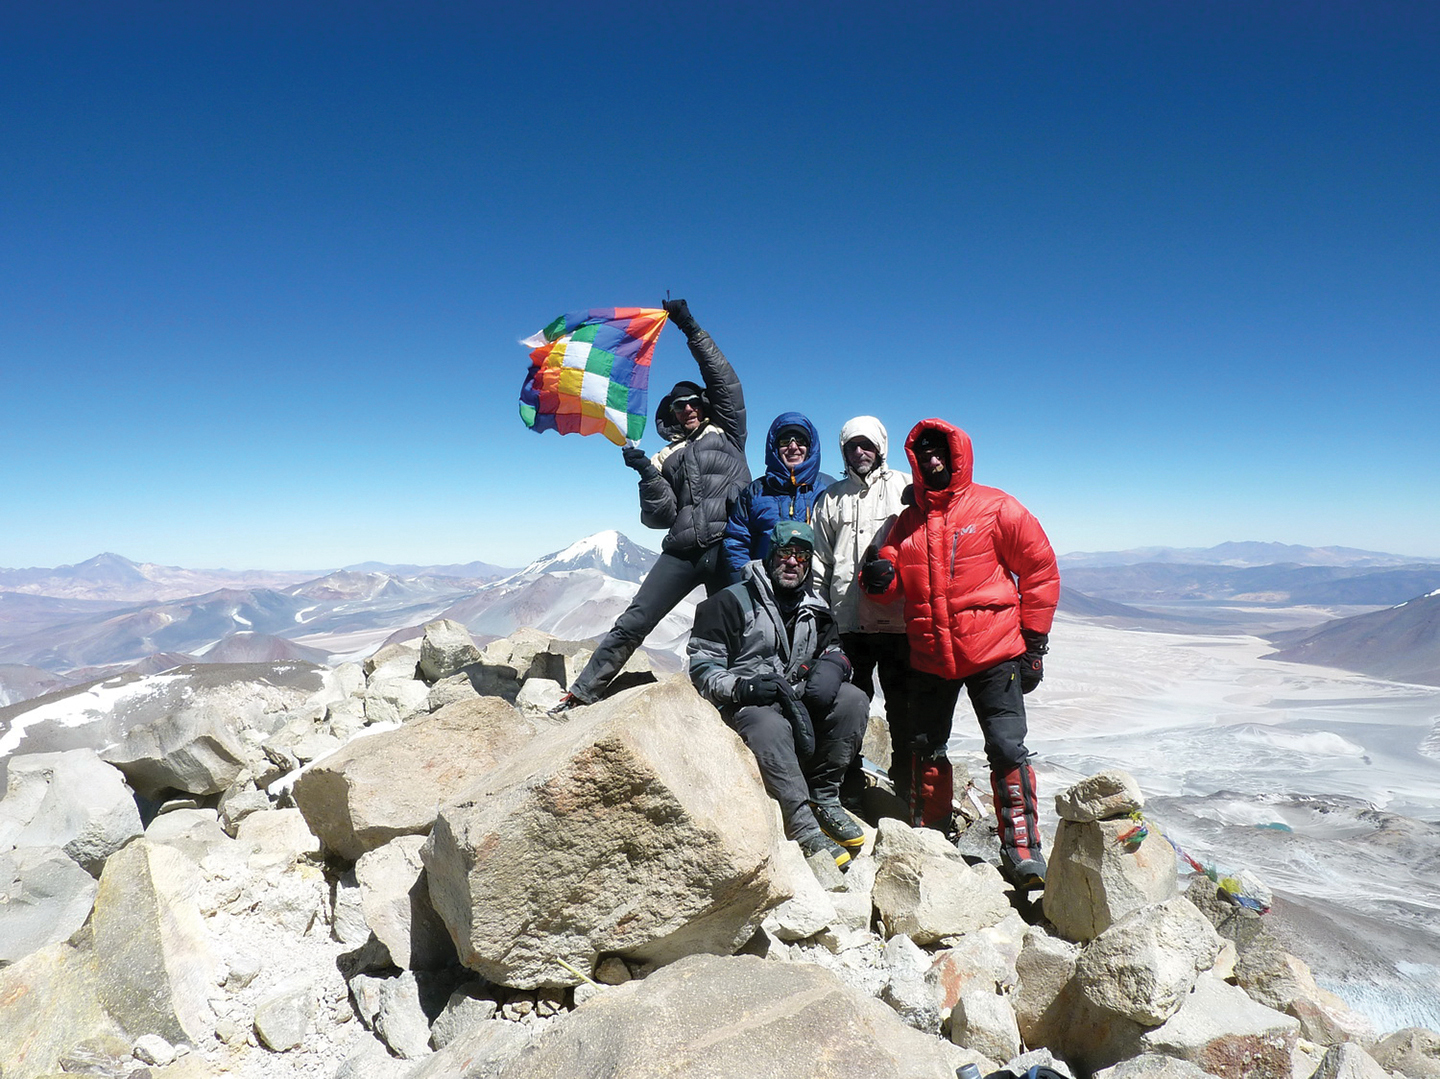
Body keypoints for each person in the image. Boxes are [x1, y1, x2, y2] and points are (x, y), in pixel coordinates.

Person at [861, 419, 1059, 889]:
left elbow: (1039, 568)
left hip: (995, 653)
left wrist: (1034, 644)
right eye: (924, 453)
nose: (932, 459)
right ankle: (930, 841)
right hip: (931, 656)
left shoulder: (996, 507)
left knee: (1007, 748)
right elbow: (889, 580)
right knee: (924, 748)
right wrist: (882, 576)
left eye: (940, 452)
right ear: (914, 460)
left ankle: (1024, 852)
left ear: (957, 456)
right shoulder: (906, 522)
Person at [551, 298, 749, 713]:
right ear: (672, 415)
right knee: (635, 621)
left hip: (730, 546)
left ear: (705, 404)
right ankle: (583, 693)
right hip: (683, 551)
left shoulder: (729, 432)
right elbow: (660, 518)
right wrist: (646, 474)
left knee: (742, 629)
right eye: (681, 406)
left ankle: (744, 705)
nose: (689, 408)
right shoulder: (664, 457)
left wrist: (689, 327)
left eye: (694, 401)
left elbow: (723, 378)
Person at [688, 520, 869, 870]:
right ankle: (801, 824)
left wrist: (832, 668)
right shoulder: (728, 602)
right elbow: (702, 668)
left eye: (802, 555)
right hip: (748, 705)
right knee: (767, 725)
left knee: (852, 701)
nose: (792, 562)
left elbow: (834, 650)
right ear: (771, 556)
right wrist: (742, 687)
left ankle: (824, 798)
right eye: (785, 553)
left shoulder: (815, 610)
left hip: (794, 700)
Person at [811, 416, 912, 788]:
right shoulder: (832, 497)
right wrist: (821, 616)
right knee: (851, 705)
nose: (859, 452)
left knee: (903, 707)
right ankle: (847, 779)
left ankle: (907, 783)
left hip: (898, 623)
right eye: (852, 445)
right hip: (848, 623)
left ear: (881, 447)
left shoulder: (905, 487)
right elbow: (820, 561)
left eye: (866, 444)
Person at [722, 412, 833, 582]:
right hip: (764, 588)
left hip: (815, 589)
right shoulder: (755, 492)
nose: (793, 447)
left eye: (801, 441)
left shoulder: (828, 490)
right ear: (774, 448)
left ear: (811, 448)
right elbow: (737, 541)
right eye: (785, 441)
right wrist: (746, 583)